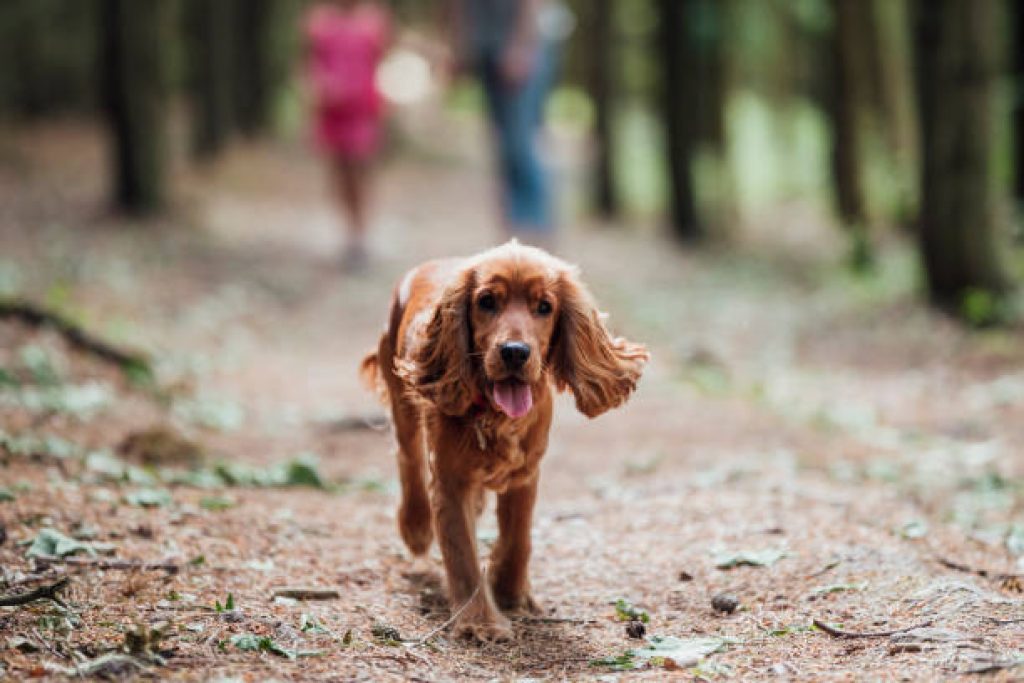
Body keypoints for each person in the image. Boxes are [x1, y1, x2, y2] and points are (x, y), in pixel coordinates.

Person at [447, 0, 571, 246]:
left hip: (521, 43)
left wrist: (521, 46)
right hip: (489, 44)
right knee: (506, 143)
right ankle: (516, 231)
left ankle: (535, 230)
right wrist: (459, 44)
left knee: (520, 142)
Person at [306, 0, 390, 270]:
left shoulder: (374, 19)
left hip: (362, 109)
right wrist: (320, 85)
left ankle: (361, 233)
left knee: (360, 170)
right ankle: (348, 232)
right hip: (332, 110)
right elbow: (308, 64)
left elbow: (384, 61)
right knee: (339, 172)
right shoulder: (319, 20)